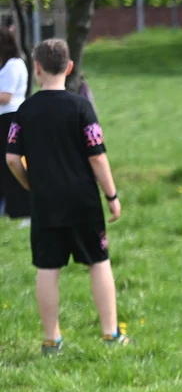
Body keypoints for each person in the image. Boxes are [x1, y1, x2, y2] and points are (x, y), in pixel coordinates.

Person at [5, 39, 129, 355]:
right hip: (83, 201)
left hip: (45, 202)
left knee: (48, 268)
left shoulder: (25, 110)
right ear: (70, 67)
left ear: (36, 69)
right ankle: (110, 334)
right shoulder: (81, 107)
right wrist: (111, 195)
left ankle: (51, 340)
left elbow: (11, 158)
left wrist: (30, 184)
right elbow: (97, 156)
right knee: (98, 262)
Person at [0, 28, 29, 222]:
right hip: (4, 118)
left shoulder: (13, 64)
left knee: (13, 163)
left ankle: (22, 209)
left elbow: (6, 97)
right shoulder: (7, 64)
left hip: (10, 118)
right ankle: (9, 206)